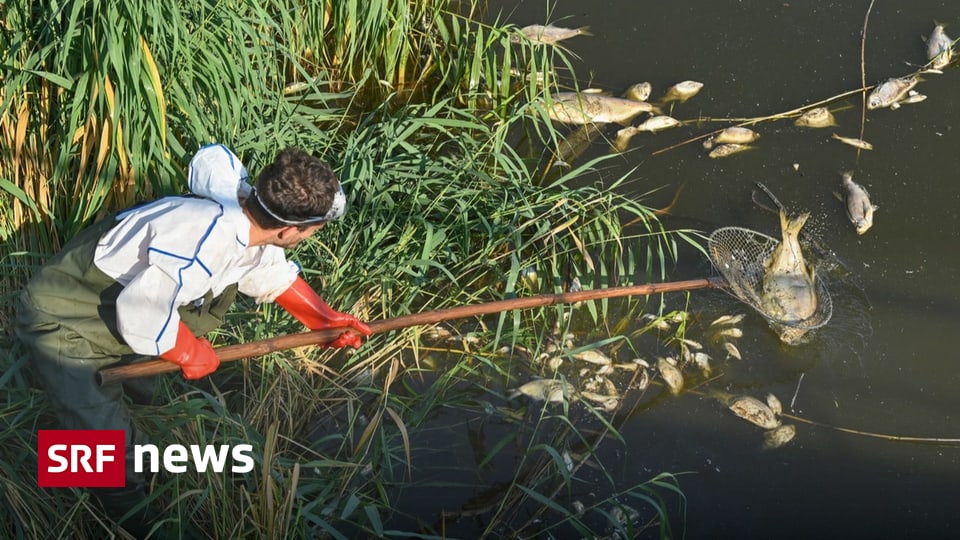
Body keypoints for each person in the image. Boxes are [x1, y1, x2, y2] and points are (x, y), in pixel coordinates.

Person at [15, 144, 372, 537]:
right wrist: (189, 351)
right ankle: (120, 514)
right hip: (67, 318)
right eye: (312, 230)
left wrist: (325, 320)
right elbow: (140, 310)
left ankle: (74, 430)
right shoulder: (205, 235)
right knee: (107, 452)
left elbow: (266, 272)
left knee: (141, 405)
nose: (310, 236)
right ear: (289, 229)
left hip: (115, 321)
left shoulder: (250, 215)